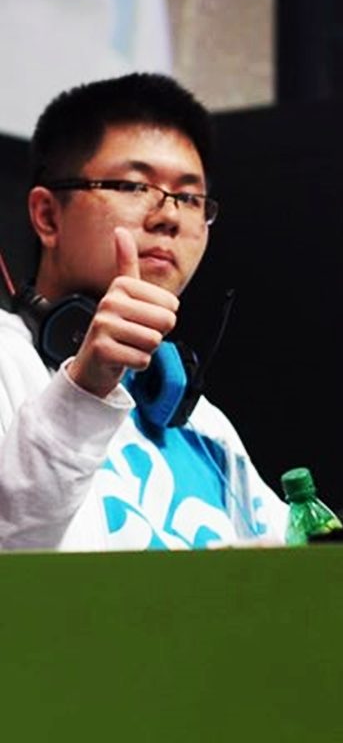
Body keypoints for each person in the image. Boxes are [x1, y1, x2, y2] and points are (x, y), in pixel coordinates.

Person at [0, 73, 289, 550]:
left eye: (190, 197)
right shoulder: (9, 362)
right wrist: (85, 389)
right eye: (134, 186)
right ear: (48, 216)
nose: (169, 215)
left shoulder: (202, 424)